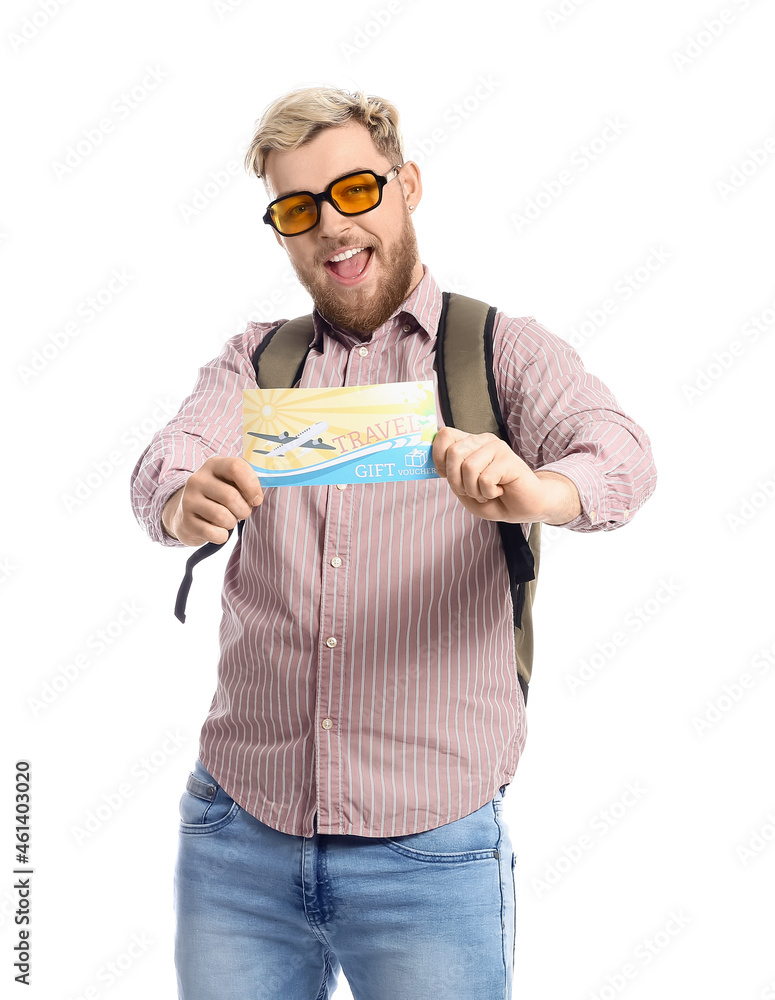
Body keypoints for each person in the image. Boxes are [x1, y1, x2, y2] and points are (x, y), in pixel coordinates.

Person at [130, 85, 657, 1000]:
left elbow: (622, 454)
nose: (331, 226)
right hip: (237, 840)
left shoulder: (499, 354)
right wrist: (182, 499)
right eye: (298, 209)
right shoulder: (255, 364)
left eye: (355, 193)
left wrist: (537, 489)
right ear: (283, 232)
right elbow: (170, 455)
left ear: (406, 185)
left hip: (433, 855)